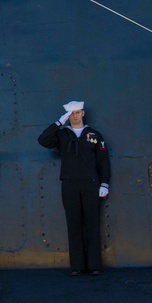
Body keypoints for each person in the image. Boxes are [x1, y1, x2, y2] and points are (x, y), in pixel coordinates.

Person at [37, 101, 111, 276]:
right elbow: (43, 140)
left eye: (77, 113)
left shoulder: (94, 135)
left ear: (83, 113)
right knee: (74, 224)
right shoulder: (62, 135)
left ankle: (94, 265)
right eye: (71, 114)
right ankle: (77, 265)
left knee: (92, 224)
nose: (75, 116)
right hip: (70, 184)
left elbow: (103, 161)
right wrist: (58, 123)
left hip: (90, 183)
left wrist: (104, 183)